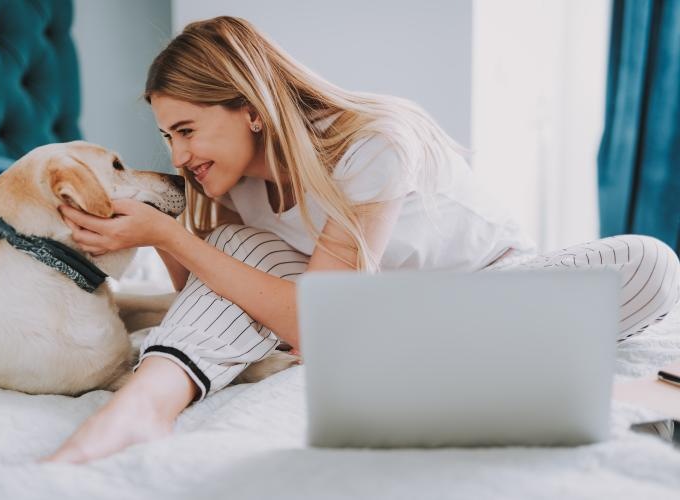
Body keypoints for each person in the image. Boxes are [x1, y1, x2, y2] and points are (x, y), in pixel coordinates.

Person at [41, 16, 680, 464]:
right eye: (167, 138)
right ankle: (147, 403)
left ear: (252, 109)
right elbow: (218, 290)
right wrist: (166, 235)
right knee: (239, 256)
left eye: (187, 130)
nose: (178, 155)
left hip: (488, 286)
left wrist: (167, 234)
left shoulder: (371, 141)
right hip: (374, 319)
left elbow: (320, 325)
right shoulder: (228, 184)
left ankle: (412, 356)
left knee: (650, 263)